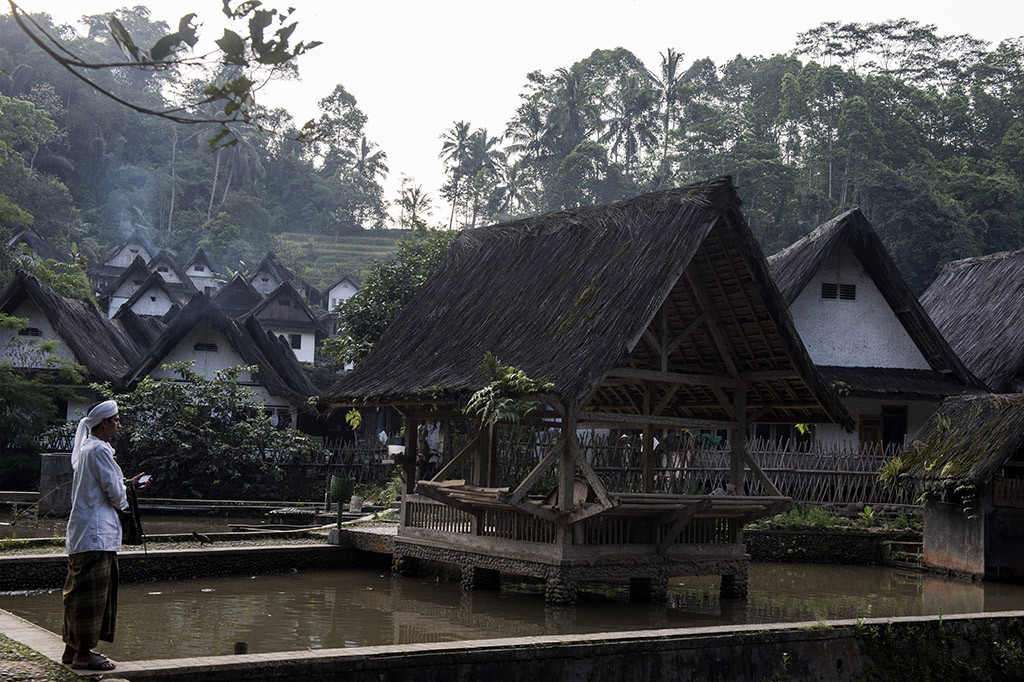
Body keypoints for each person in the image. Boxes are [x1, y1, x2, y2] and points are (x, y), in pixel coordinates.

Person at [61, 400, 150, 671]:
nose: (119, 425)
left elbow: (104, 486)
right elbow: (116, 496)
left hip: (83, 534)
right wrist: (127, 492)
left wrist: (127, 485)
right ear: (104, 423)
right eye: (116, 420)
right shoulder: (99, 450)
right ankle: (84, 654)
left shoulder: (88, 449)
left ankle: (71, 649)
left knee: (77, 593)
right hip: (97, 535)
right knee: (93, 596)